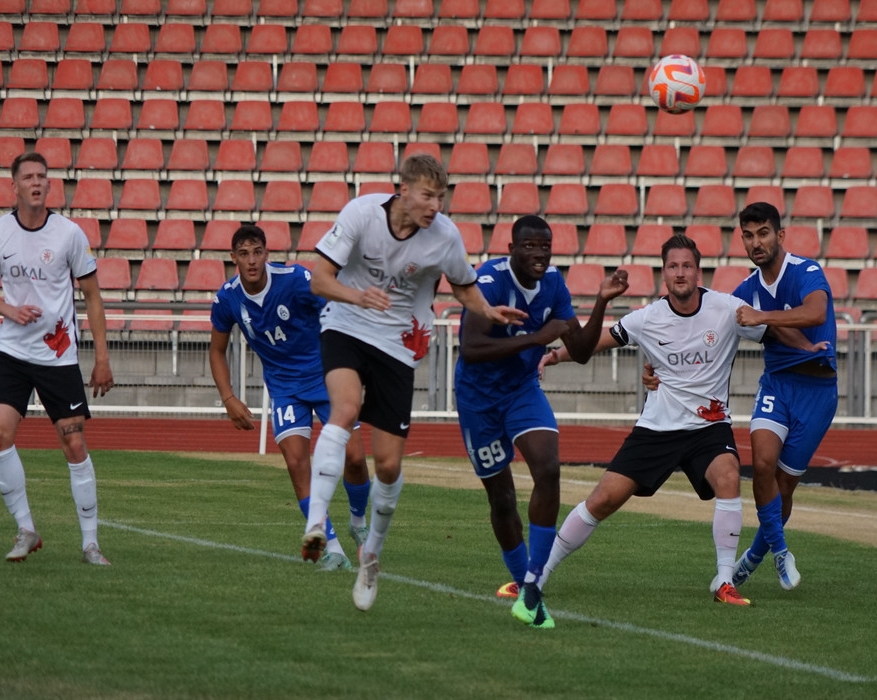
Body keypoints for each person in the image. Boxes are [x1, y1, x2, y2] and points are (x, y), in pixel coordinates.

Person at [536, 233, 816, 622]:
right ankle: (537, 575)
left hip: (709, 427)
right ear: (663, 274)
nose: (680, 273)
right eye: (672, 266)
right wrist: (555, 356)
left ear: (698, 272)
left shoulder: (727, 308)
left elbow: (773, 328)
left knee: (729, 476)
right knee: (602, 500)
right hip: (657, 428)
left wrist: (809, 347)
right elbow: (599, 341)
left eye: (687, 266)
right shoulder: (647, 318)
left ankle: (724, 581)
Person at [300, 153, 525, 611]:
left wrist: (487, 310)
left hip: (398, 345)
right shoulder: (362, 213)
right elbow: (319, 281)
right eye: (427, 195)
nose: (435, 206)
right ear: (402, 190)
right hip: (346, 325)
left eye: (440, 197)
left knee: (387, 466)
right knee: (344, 409)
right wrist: (358, 296)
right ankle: (317, 524)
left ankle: (371, 556)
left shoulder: (444, 236)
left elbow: (462, 285)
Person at [453, 215, 628, 629]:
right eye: (529, 246)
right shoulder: (489, 280)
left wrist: (601, 302)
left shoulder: (553, 284)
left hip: (521, 391)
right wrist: (535, 338)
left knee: (548, 468)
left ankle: (533, 586)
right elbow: (471, 347)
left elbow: (580, 351)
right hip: (479, 399)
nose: (539, 254)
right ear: (511, 248)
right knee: (502, 499)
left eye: (545, 246)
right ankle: (523, 584)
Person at [0, 152, 114, 565]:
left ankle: (90, 544)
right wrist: (11, 310)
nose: (36, 183)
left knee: (74, 443)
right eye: (28, 177)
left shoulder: (69, 234)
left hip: (58, 356)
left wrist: (102, 358)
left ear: (49, 185)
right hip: (14, 352)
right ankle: (26, 529)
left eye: (42, 176)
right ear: (14, 186)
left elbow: (92, 296)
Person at [209, 224, 372, 571]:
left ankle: (358, 524)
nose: (252, 261)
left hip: (326, 377)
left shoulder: (296, 279)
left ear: (267, 254)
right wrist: (228, 398)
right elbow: (217, 350)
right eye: (244, 254)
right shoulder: (227, 298)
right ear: (233, 258)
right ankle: (331, 548)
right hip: (285, 389)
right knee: (297, 462)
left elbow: (336, 311)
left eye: (257, 252)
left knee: (355, 459)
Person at [729, 202, 838, 591]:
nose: (755, 243)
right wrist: (658, 363)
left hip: (817, 393)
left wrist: (762, 317)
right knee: (761, 464)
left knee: (784, 486)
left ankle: (754, 556)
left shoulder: (805, 271)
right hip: (776, 384)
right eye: (748, 236)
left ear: (780, 235)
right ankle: (780, 552)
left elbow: (815, 312)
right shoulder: (745, 289)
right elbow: (709, 321)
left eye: (763, 233)